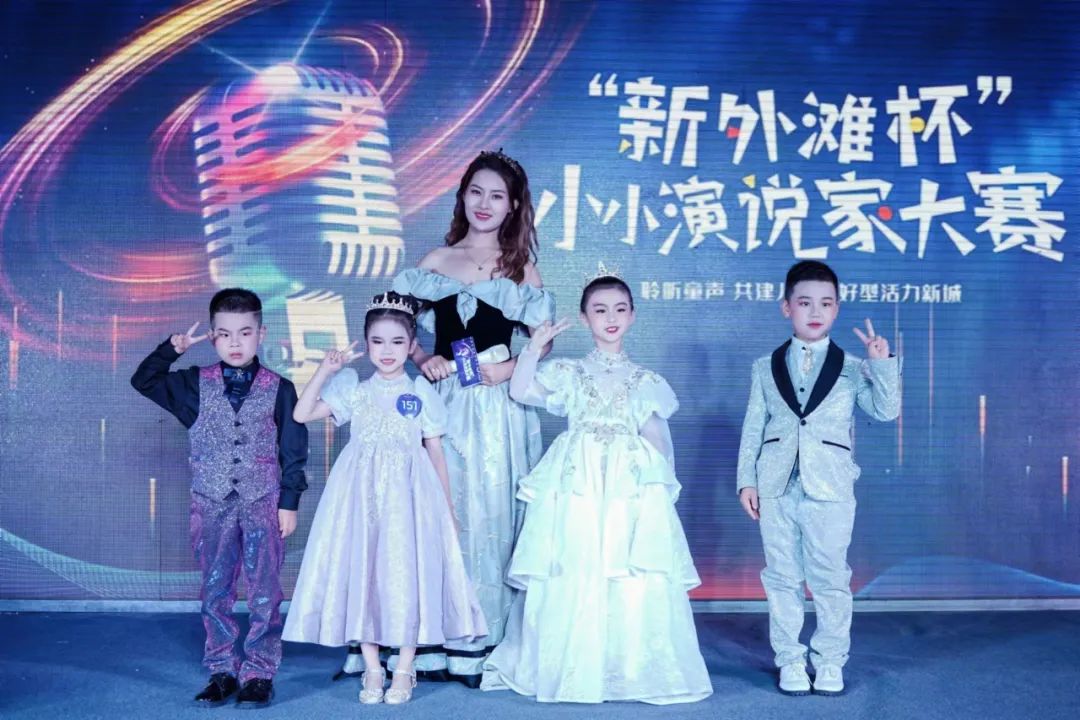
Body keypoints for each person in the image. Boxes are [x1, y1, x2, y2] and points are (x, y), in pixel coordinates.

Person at [480, 266, 713, 704]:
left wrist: (656, 495)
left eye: (620, 309)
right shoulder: (568, 371)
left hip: (626, 483)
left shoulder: (646, 381)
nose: (611, 317)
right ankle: (573, 663)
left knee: (626, 565)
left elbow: (658, 441)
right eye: (600, 309)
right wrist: (533, 348)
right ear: (585, 317)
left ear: (633, 316)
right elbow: (520, 390)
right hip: (578, 480)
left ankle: (624, 667)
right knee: (576, 558)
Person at [384, 150, 555, 686]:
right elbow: (391, 323)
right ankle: (432, 641)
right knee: (442, 507)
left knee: (492, 513)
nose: (484, 203)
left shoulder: (520, 267)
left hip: (499, 410)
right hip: (444, 404)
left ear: (513, 206)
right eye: (476, 192)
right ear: (462, 197)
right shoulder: (436, 260)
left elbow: (542, 342)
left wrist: (508, 368)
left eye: (497, 196)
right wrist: (421, 357)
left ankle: (485, 642)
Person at [283, 291, 486, 704]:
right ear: (366, 343)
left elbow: (434, 450)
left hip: (409, 497)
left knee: (405, 574)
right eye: (378, 341)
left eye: (397, 342)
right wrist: (325, 370)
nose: (387, 351)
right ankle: (373, 668)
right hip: (360, 497)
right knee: (365, 572)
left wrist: (446, 506)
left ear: (411, 345)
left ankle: (404, 667)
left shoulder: (420, 391)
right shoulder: (354, 389)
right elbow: (301, 414)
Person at [131, 288, 307, 708]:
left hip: (263, 500)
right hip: (210, 501)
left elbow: (293, 447)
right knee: (215, 586)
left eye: (245, 332)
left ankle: (260, 671)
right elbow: (144, 381)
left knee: (265, 588)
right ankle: (222, 669)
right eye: (224, 334)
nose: (235, 343)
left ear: (261, 334)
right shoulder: (193, 384)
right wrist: (171, 349)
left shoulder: (280, 388)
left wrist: (289, 502)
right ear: (212, 336)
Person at [736, 260, 901, 696]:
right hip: (776, 485)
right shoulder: (765, 366)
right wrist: (746, 480)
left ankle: (829, 660)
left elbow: (885, 412)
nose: (815, 311)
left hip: (830, 486)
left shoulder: (853, 366)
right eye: (805, 302)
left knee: (830, 577)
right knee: (781, 577)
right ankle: (790, 659)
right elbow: (754, 426)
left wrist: (882, 365)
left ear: (837, 309)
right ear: (786, 307)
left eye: (826, 303)